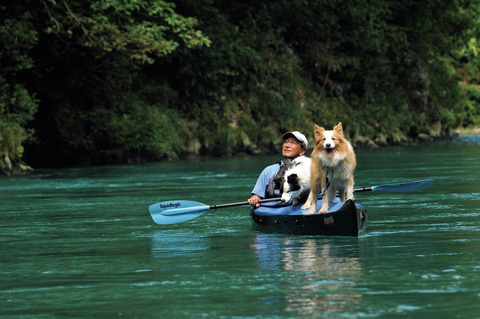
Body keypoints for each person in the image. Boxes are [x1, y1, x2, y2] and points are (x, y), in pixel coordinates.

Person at [248, 131, 308, 207]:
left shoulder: (309, 169)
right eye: (286, 142)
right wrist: (254, 199)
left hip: (299, 207)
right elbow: (256, 196)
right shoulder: (269, 171)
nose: (287, 145)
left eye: (293, 143)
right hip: (273, 208)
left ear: (302, 151)